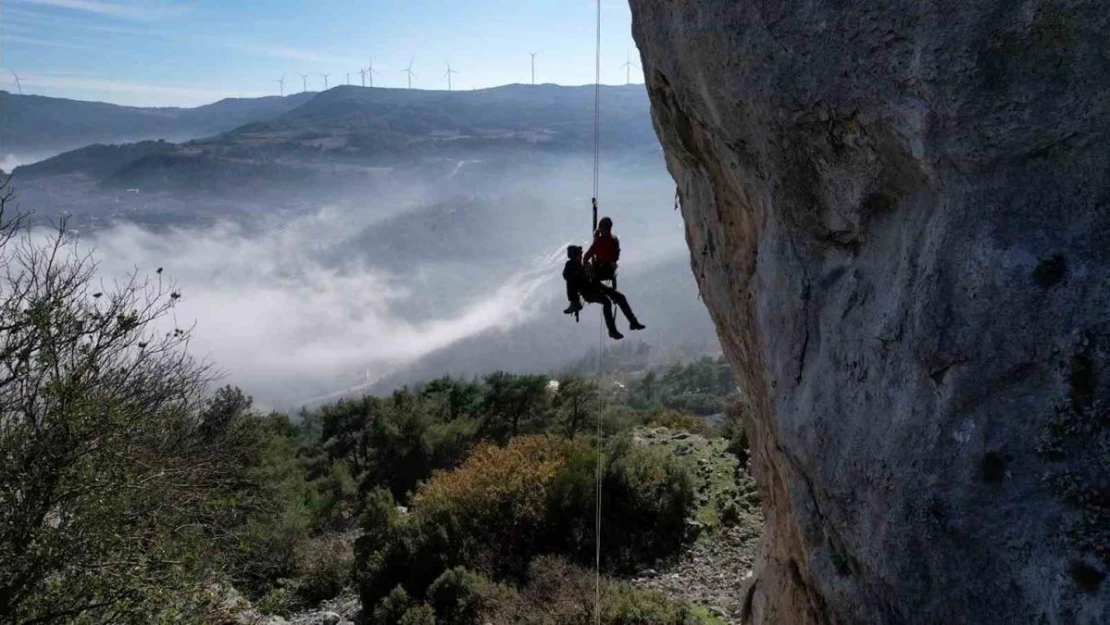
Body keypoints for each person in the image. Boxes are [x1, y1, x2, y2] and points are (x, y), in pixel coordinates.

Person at [562, 244, 645, 340]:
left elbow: (594, 275)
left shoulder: (583, 265)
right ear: (575, 256)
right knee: (606, 302)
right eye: (579, 254)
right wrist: (578, 274)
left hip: (596, 286)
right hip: (588, 293)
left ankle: (633, 323)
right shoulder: (570, 265)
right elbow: (566, 275)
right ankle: (612, 331)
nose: (581, 256)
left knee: (620, 297)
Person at [584, 216, 619, 283]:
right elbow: (616, 256)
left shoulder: (599, 241)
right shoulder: (614, 240)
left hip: (599, 270)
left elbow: (587, 256)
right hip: (610, 271)